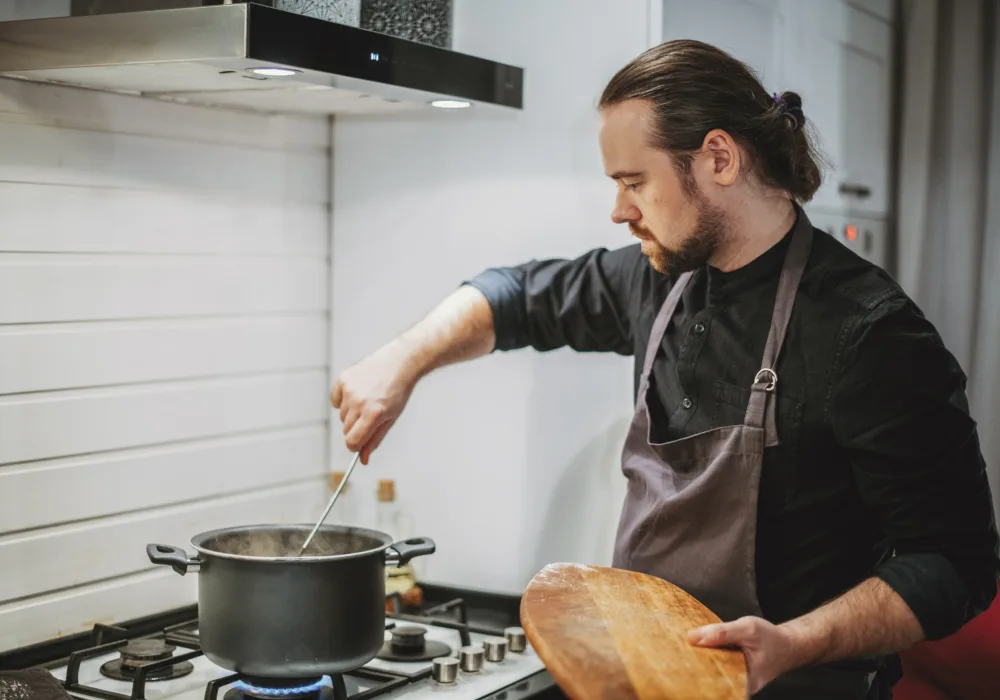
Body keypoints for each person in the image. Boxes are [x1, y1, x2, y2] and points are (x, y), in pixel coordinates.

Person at [330, 40, 999, 698]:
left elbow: (954, 562)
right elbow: (515, 297)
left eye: (633, 182)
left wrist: (793, 641)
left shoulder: (872, 334)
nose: (619, 211)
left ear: (718, 158)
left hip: (799, 684)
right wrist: (401, 361)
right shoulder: (656, 281)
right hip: (647, 673)